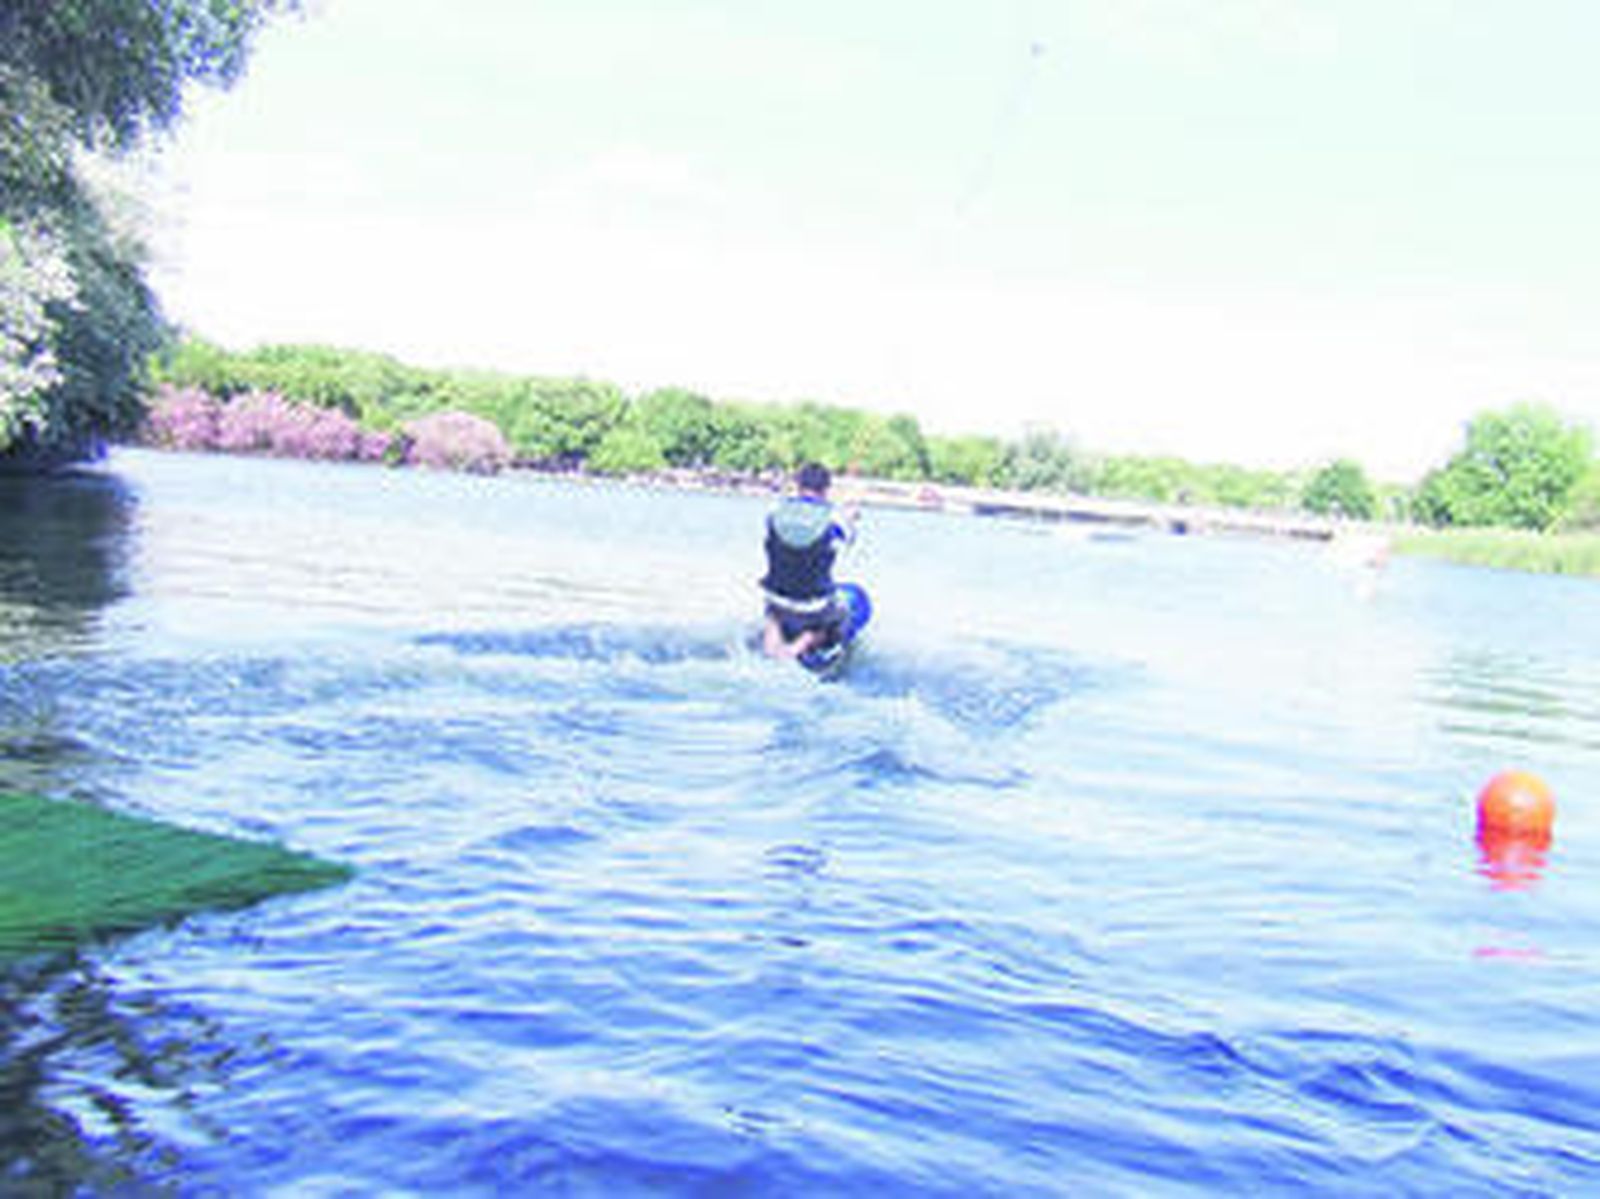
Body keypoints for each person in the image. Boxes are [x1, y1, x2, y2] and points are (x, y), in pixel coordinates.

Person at [759, 462, 858, 659]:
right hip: (815, 605)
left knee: (773, 613)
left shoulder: (775, 511)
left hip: (775, 597)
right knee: (841, 618)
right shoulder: (835, 518)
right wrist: (851, 518)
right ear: (827, 488)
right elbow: (849, 539)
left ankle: (771, 644)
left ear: (798, 484)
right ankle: (802, 643)